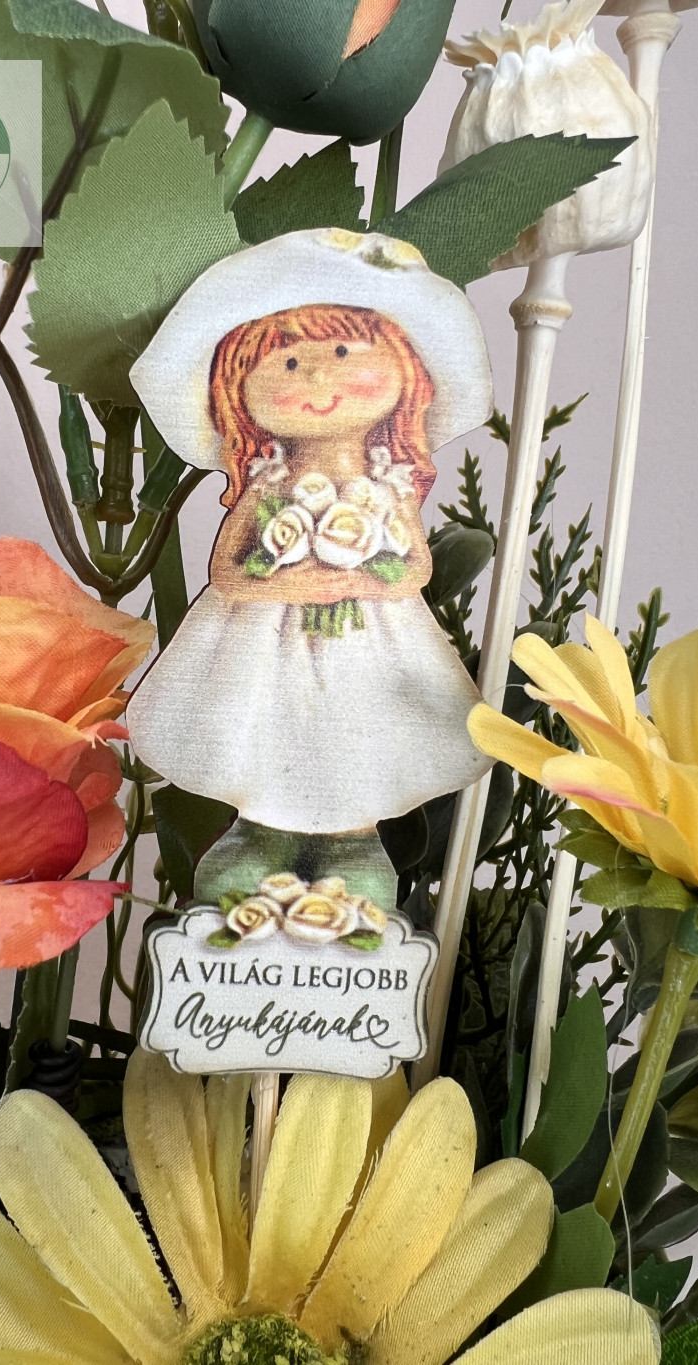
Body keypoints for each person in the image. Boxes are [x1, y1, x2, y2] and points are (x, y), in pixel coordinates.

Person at [127, 229, 494, 913]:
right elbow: (228, 571)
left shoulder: (385, 483)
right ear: (236, 392)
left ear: (406, 371)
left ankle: (352, 843)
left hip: (370, 646)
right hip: (261, 643)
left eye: (345, 352)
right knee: (264, 728)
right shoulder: (267, 482)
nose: (318, 377)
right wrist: (301, 583)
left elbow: (414, 566)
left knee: (358, 727)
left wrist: (356, 578)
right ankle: (258, 835)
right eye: (289, 362)